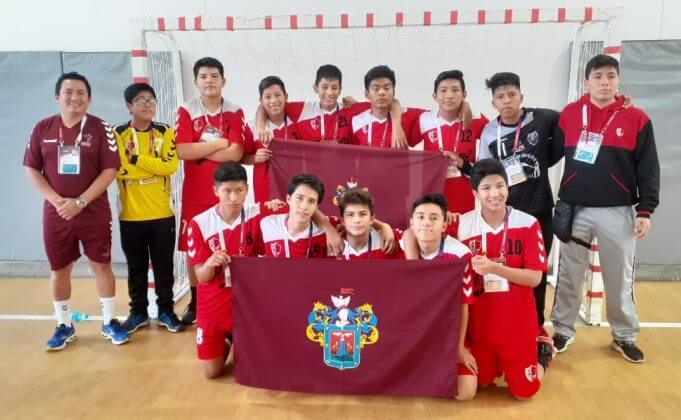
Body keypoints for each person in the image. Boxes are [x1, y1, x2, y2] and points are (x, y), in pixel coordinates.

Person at [550, 54, 660, 363]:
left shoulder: (636, 118)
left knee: (619, 277)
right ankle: (562, 330)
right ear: (587, 82)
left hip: (618, 211)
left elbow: (649, 168)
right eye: (598, 76)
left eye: (611, 76)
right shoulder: (569, 114)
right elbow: (549, 153)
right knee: (570, 274)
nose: (605, 82)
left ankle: (624, 336)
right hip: (575, 209)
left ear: (618, 81)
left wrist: (645, 210)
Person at [23, 72, 129, 349]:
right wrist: (57, 200)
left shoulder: (100, 127)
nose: (75, 97)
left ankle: (109, 321)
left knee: (101, 266)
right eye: (68, 92)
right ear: (57, 97)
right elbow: (31, 168)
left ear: (89, 99)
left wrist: (80, 201)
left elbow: (109, 170)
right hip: (56, 214)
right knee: (59, 269)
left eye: (81, 92)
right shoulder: (42, 128)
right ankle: (63, 325)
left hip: (92, 212)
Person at [456, 159, 552, 400]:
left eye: (500, 186)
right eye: (486, 188)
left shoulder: (528, 223)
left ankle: (542, 348)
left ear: (508, 188)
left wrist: (495, 269)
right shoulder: (462, 225)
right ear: (475, 193)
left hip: (517, 325)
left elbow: (534, 278)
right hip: (481, 326)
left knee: (524, 393)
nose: (494, 194)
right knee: (483, 384)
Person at [477, 72, 563, 337]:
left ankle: (535, 325)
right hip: (506, 214)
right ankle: (505, 323)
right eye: (500, 97)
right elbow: (483, 172)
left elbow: (567, 129)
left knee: (536, 271)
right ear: (493, 103)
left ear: (521, 97)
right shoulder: (490, 131)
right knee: (506, 269)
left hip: (539, 211)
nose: (507, 101)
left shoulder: (544, 118)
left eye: (511, 95)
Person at [187, 162, 285, 379]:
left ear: (247, 190)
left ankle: (243, 334)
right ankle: (229, 337)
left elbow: (300, 207)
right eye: (227, 191)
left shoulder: (259, 211)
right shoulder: (199, 224)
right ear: (216, 191)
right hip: (214, 302)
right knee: (211, 373)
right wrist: (211, 262)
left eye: (239, 191)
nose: (233, 198)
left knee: (257, 366)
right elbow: (201, 277)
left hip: (248, 303)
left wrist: (327, 228)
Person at [175, 57, 246, 325]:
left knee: (233, 243)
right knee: (192, 249)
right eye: (203, 76)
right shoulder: (186, 109)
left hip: (228, 193)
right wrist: (219, 143)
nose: (209, 80)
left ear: (223, 81)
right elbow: (183, 151)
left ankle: (234, 296)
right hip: (195, 193)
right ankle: (196, 300)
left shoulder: (235, 110)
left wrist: (201, 152)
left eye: (214, 76)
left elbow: (237, 152)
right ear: (195, 82)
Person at [113, 82, 184, 334]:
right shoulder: (117, 133)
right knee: (136, 268)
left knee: (164, 267)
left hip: (163, 214)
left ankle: (166, 311)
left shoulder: (166, 132)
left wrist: (136, 159)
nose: (148, 105)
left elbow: (170, 166)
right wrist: (150, 164)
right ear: (129, 106)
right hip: (131, 215)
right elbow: (119, 170)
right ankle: (138, 313)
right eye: (141, 101)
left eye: (151, 100)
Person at [401, 194, 474, 401]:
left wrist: (458, 347)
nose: (426, 222)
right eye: (421, 217)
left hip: (446, 331)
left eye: (434, 218)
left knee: (465, 392)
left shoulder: (459, 255)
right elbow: (405, 234)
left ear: (444, 225)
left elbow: (463, 305)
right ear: (412, 223)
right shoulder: (404, 243)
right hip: (412, 331)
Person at [408, 70, 488, 213]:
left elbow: (495, 141)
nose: (449, 96)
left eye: (455, 90)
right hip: (433, 198)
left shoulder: (476, 119)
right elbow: (406, 141)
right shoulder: (424, 119)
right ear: (435, 96)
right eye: (443, 91)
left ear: (464, 95)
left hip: (466, 199)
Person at [242, 76, 299, 203]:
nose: (273, 100)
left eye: (277, 95)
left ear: (286, 97)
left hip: (295, 187)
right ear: (261, 100)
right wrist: (255, 158)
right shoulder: (252, 127)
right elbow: (242, 157)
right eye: (267, 97)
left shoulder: (297, 122)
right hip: (266, 189)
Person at [259, 173, 343, 258]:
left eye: (311, 201)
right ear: (288, 199)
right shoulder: (266, 222)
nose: (304, 206)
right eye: (299, 198)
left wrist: (330, 229)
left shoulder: (332, 226)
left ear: (317, 206)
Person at [348, 65, 421, 149]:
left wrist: (397, 123)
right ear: (367, 94)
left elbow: (437, 117)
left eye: (387, 88)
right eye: (376, 88)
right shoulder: (356, 121)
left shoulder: (410, 116)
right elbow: (354, 153)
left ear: (394, 92)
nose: (381, 92)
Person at [336, 189, 401, 260]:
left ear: (372, 219)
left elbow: (411, 234)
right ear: (342, 220)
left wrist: (384, 226)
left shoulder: (389, 238)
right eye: (350, 215)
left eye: (363, 214)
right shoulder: (330, 240)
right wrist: (382, 225)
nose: (357, 220)